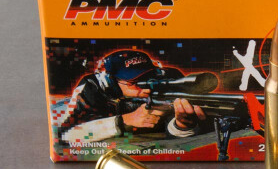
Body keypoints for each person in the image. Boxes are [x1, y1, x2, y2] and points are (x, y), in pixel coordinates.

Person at [58, 50, 206, 145]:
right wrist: (125, 120)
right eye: (134, 82)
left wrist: (181, 125)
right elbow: (66, 135)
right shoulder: (91, 88)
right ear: (112, 80)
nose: (147, 88)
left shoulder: (169, 78)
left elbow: (173, 130)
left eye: (150, 78)